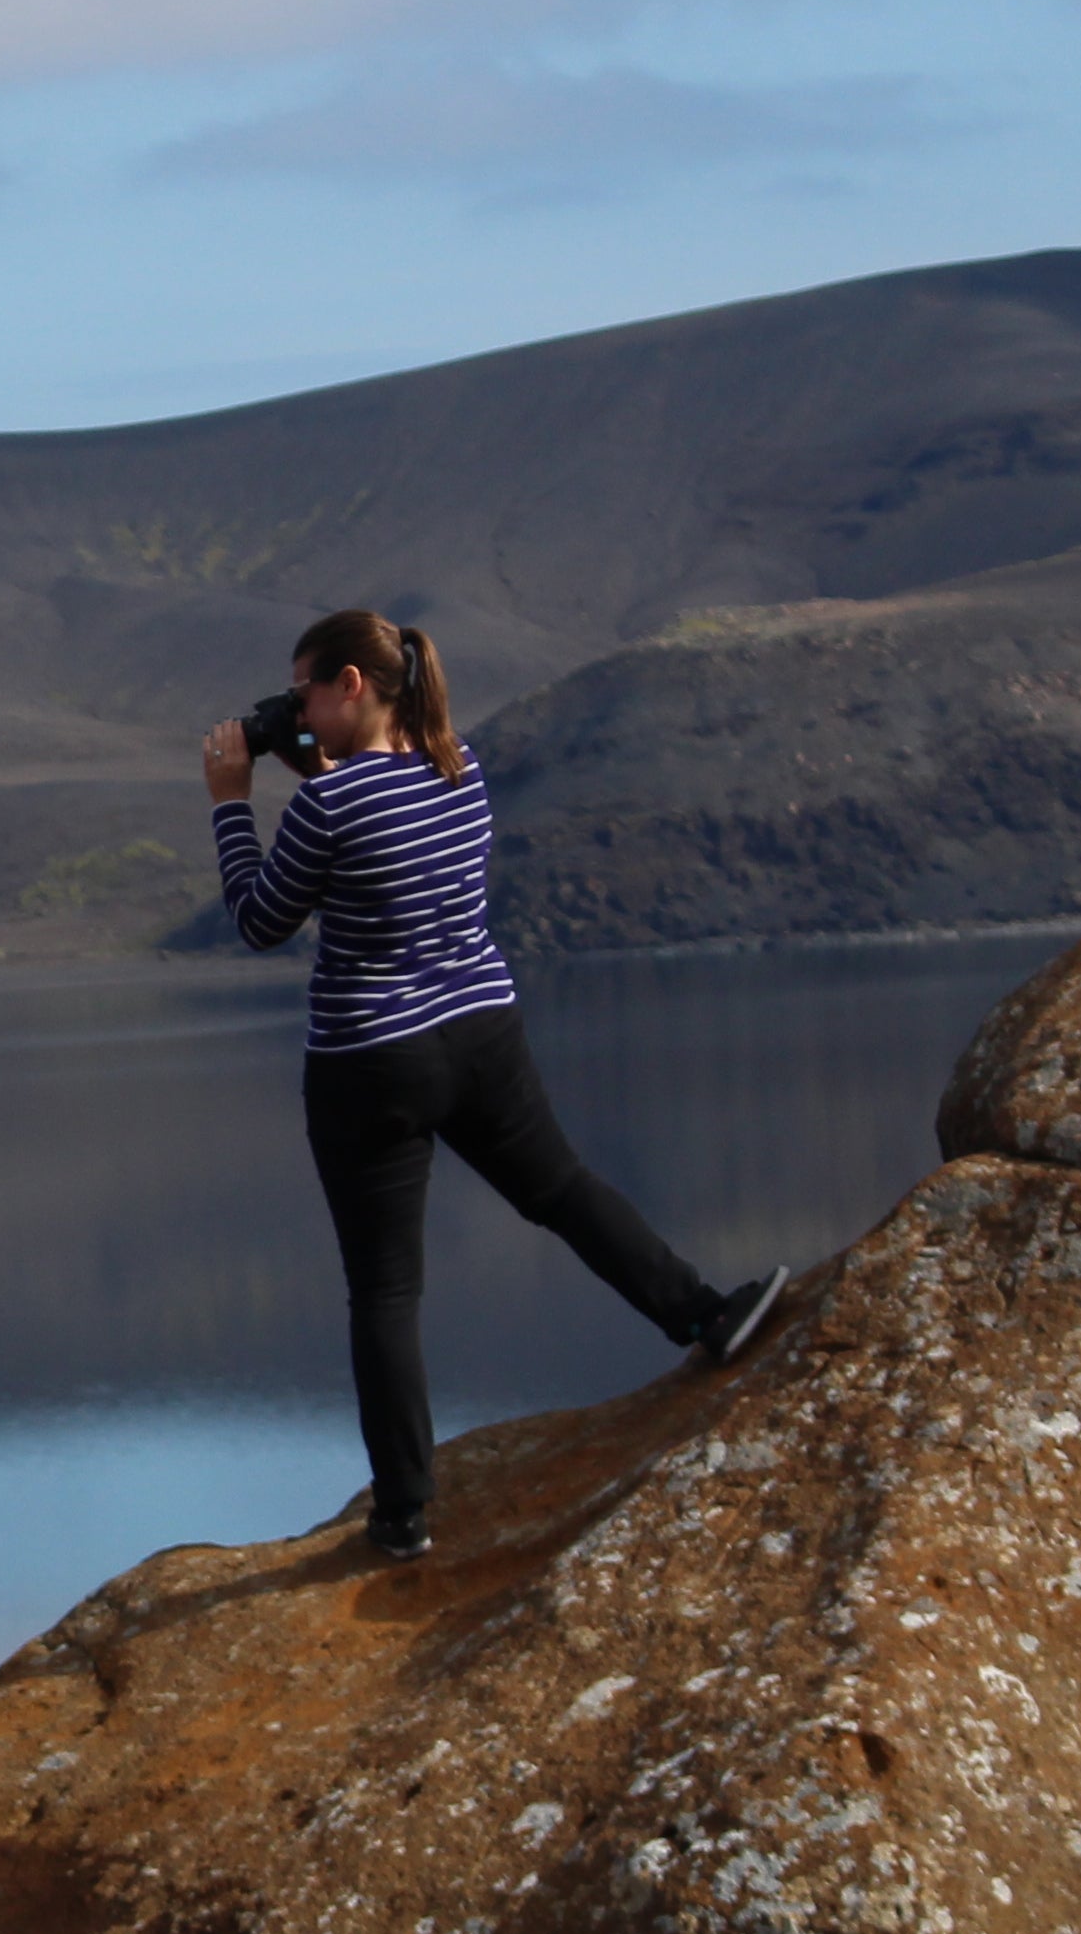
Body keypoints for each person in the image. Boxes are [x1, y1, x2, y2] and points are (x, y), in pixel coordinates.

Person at [207, 610, 783, 1561]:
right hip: (480, 1032)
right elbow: (377, 825)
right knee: (561, 1190)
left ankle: (403, 1515)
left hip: (371, 1061)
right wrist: (317, 765)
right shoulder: (456, 768)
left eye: (306, 688)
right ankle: (708, 1314)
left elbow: (262, 919)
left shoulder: (327, 808)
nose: (294, 708)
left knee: (386, 1293)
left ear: (351, 684)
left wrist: (232, 799)